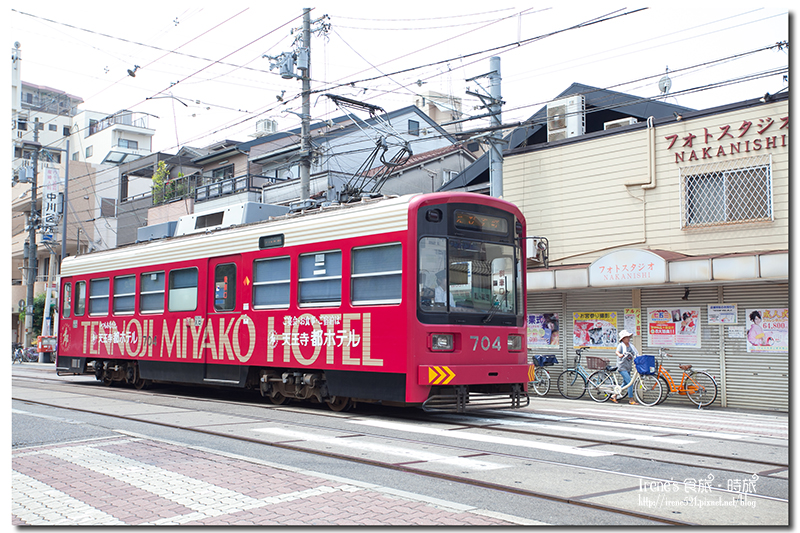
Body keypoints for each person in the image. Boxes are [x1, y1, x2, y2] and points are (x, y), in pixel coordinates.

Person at [614, 329, 638, 405]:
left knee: (625, 383)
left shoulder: (631, 346)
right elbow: (617, 352)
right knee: (630, 383)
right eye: (626, 337)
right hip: (622, 367)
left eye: (628, 337)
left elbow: (635, 353)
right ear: (622, 339)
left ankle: (614, 395)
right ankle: (631, 399)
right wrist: (620, 355)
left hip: (628, 367)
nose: (628, 339)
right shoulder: (621, 345)